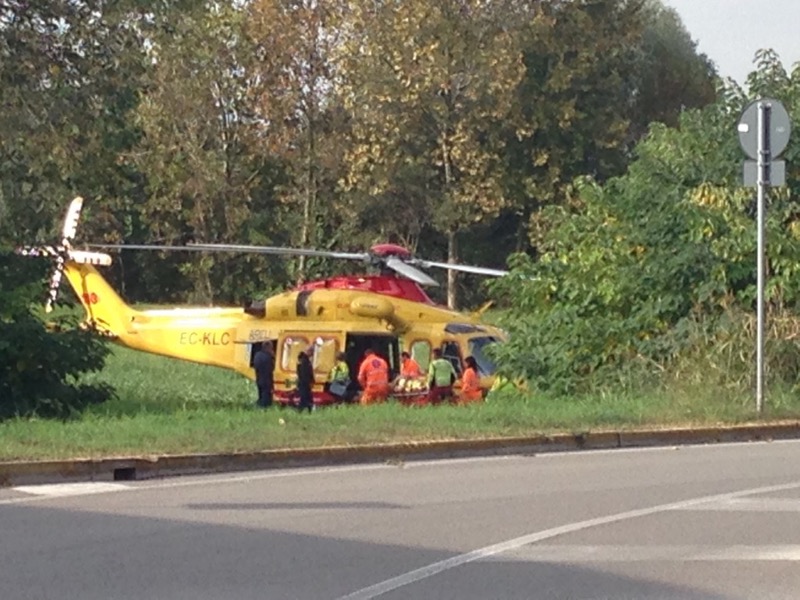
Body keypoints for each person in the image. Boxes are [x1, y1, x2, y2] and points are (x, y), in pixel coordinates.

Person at [252, 341, 275, 408]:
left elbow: (255, 365)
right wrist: (273, 356)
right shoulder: (268, 357)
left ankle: (259, 405)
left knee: (260, 393)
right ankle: (264, 407)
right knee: (266, 396)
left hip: (259, 378)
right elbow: (271, 368)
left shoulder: (257, 355)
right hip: (267, 380)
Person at [296, 346, 315, 413]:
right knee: (305, 398)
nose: (312, 354)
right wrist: (309, 382)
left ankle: (308, 410)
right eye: (312, 352)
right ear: (309, 351)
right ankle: (301, 411)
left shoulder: (302, 360)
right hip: (304, 383)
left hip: (303, 383)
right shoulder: (305, 361)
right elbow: (305, 373)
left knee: (306, 398)